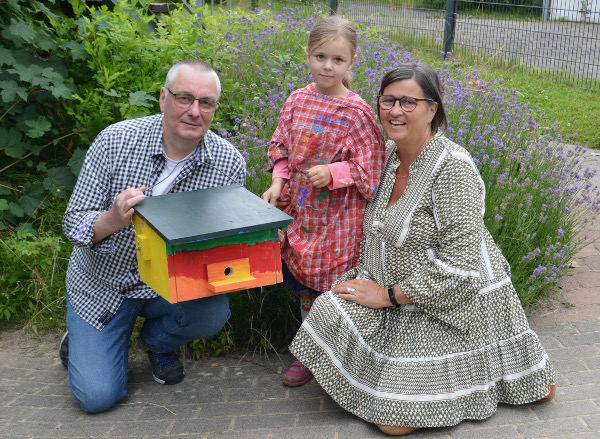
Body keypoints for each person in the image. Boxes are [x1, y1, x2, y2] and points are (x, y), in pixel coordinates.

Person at [289, 61, 556, 435]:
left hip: (450, 301)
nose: (395, 111)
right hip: (390, 287)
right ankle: (390, 378)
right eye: (388, 100)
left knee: (393, 424)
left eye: (409, 102)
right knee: (329, 310)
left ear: (433, 109)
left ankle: (494, 371)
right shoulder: (385, 156)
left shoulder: (453, 169)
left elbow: (463, 269)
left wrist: (387, 296)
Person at [61, 60, 246, 413]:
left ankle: (157, 341)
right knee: (98, 399)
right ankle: (82, 335)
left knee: (212, 311)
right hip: (103, 284)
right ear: (163, 98)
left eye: (206, 102)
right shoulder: (115, 142)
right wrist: (113, 219)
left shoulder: (228, 163)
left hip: (169, 284)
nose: (195, 111)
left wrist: (254, 239)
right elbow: (73, 224)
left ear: (215, 108)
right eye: (184, 98)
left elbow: (223, 240)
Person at [261, 16, 386, 387]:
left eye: (337, 59)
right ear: (307, 55)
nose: (327, 66)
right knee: (303, 287)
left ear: (352, 62)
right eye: (320, 56)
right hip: (300, 209)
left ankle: (328, 353)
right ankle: (308, 349)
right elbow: (280, 145)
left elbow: (372, 166)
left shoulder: (357, 112)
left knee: (327, 288)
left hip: (337, 221)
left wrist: (335, 173)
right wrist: (277, 182)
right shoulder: (297, 100)